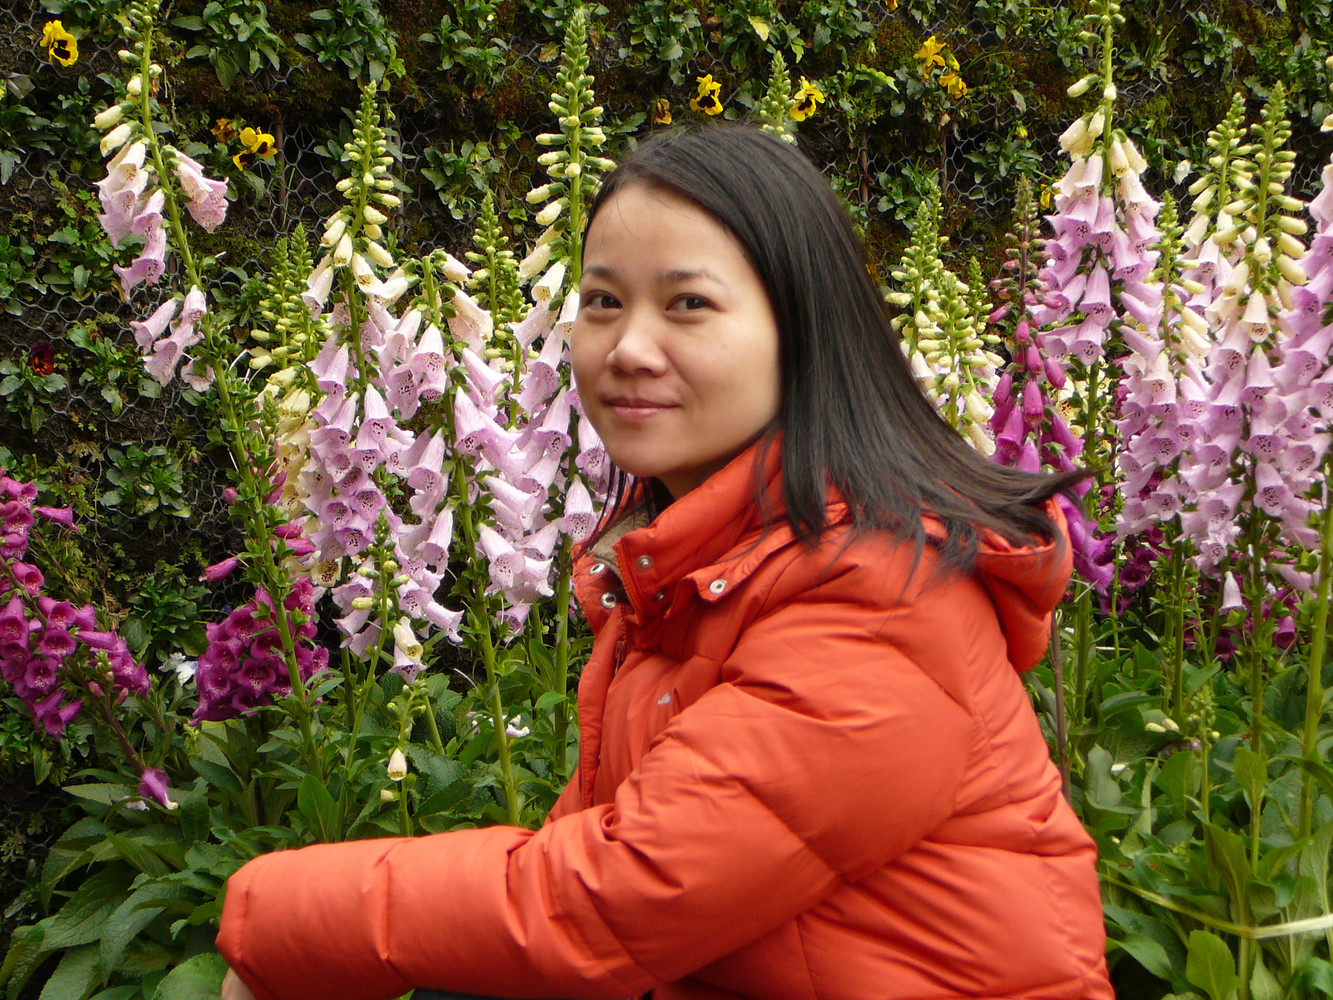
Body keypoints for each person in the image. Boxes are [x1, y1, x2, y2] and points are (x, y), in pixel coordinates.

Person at [218, 123, 1113, 1000]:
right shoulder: (697, 562)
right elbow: (590, 863)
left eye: (688, 304)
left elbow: (619, 896)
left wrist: (282, 924)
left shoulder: (880, 593)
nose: (628, 350)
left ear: (804, 330)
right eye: (602, 302)